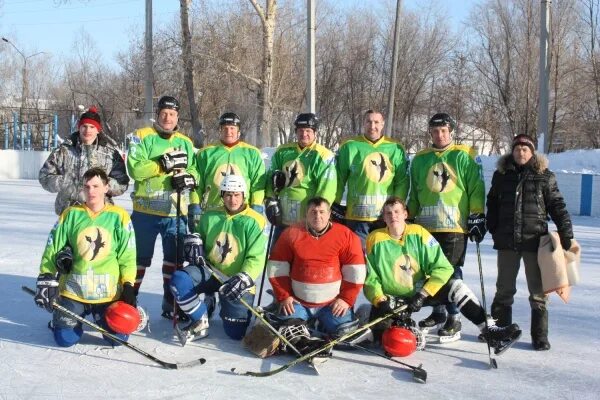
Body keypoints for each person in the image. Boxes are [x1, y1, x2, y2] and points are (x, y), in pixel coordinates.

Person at [363, 197, 521, 354]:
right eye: (388, 213)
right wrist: (380, 300)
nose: (393, 216)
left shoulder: (420, 234)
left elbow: (443, 268)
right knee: (381, 342)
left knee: (456, 286)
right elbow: (371, 277)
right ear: (383, 217)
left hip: (418, 293)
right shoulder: (374, 239)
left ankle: (490, 331)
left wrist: (422, 294)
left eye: (397, 212)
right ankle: (391, 322)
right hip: (392, 298)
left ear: (405, 214)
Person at [486, 134, 574, 351]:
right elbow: (493, 202)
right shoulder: (502, 175)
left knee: (538, 291)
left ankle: (540, 336)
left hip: (534, 243)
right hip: (507, 242)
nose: (521, 152)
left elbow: (557, 205)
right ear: (512, 151)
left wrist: (566, 233)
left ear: (532, 152)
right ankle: (501, 331)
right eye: (517, 149)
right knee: (504, 290)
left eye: (525, 149)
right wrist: (492, 226)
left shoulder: (545, 176)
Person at [34, 167, 137, 347]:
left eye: (96, 186)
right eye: (87, 186)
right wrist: (46, 276)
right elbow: (53, 247)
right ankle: (62, 320)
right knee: (65, 339)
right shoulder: (71, 214)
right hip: (74, 291)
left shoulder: (119, 217)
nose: (91, 191)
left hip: (108, 294)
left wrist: (128, 285)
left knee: (118, 339)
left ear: (106, 188)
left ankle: (99, 316)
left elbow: (127, 255)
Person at [407, 113, 486, 340]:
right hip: (425, 227)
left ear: (451, 131)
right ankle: (438, 312)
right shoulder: (420, 159)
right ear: (430, 132)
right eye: (435, 130)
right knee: (429, 272)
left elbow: (475, 188)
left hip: (453, 227)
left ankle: (454, 317)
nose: (439, 134)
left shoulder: (465, 155)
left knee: (450, 274)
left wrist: (477, 215)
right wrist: (409, 216)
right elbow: (416, 193)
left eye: (443, 130)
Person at [169, 174, 268, 342]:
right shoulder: (210, 215)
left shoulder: (256, 221)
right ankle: (200, 319)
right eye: (228, 194)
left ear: (244, 195)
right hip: (210, 271)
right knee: (179, 280)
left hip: (235, 281)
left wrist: (245, 277)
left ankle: (222, 302)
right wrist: (193, 241)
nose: (232, 199)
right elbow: (198, 238)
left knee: (235, 334)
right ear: (222, 195)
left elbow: (257, 256)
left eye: (237, 194)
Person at [126, 95, 198, 319]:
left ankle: (171, 301)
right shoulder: (141, 137)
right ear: (157, 114)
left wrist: (188, 178)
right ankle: (129, 299)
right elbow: (135, 169)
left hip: (175, 212)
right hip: (145, 212)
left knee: (174, 260)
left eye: (173, 114)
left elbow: (195, 171)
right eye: (164, 113)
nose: (168, 118)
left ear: (178, 117)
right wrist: (161, 164)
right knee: (137, 259)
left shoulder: (185, 142)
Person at [265, 197, 366, 355]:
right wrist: (284, 296)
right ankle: (297, 320)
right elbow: (277, 267)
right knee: (291, 336)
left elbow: (356, 271)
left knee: (347, 340)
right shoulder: (291, 233)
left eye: (321, 212)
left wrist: (346, 299)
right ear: (306, 214)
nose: (317, 216)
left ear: (329, 214)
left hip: (331, 304)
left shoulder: (346, 236)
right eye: (313, 212)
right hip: (298, 302)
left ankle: (320, 325)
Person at [335, 109, 409, 246]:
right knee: (358, 262)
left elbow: (402, 182)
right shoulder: (349, 146)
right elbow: (339, 179)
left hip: (385, 218)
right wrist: (335, 204)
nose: (372, 126)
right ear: (363, 123)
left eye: (376, 122)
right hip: (357, 218)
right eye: (368, 121)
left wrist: (398, 209)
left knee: (383, 261)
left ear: (382, 124)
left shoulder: (395, 148)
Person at [39, 106, 129, 216]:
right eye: (84, 126)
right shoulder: (64, 151)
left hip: (100, 215)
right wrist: (65, 181)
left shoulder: (110, 154)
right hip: (69, 213)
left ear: (98, 130)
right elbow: (44, 176)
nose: (88, 130)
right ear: (79, 127)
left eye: (92, 127)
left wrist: (101, 184)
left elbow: (122, 184)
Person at [264, 113, 337, 245]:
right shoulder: (283, 151)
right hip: (283, 219)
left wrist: (317, 214)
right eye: (301, 130)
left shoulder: (323, 155)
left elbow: (327, 188)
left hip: (308, 224)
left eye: (308, 131)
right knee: (278, 261)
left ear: (315, 132)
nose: (304, 134)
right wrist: (271, 200)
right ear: (296, 131)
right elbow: (270, 177)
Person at [191, 112, 266, 232]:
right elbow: (196, 183)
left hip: (241, 214)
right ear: (219, 130)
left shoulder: (252, 153)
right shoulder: (205, 153)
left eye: (232, 128)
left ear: (238, 131)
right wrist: (194, 205)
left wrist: (256, 206)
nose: (228, 131)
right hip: (213, 214)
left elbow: (258, 183)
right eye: (225, 128)